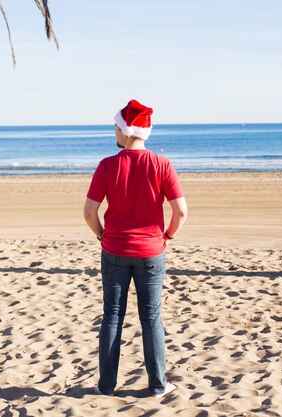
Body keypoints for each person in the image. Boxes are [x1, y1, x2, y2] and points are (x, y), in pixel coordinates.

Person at [84, 99, 188, 398]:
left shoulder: (107, 165)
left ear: (125, 130)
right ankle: (157, 385)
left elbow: (89, 212)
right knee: (151, 317)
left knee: (112, 316)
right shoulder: (162, 164)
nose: (114, 133)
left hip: (115, 249)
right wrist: (167, 236)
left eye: (116, 127)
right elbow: (181, 212)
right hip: (151, 251)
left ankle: (106, 386)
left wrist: (103, 237)